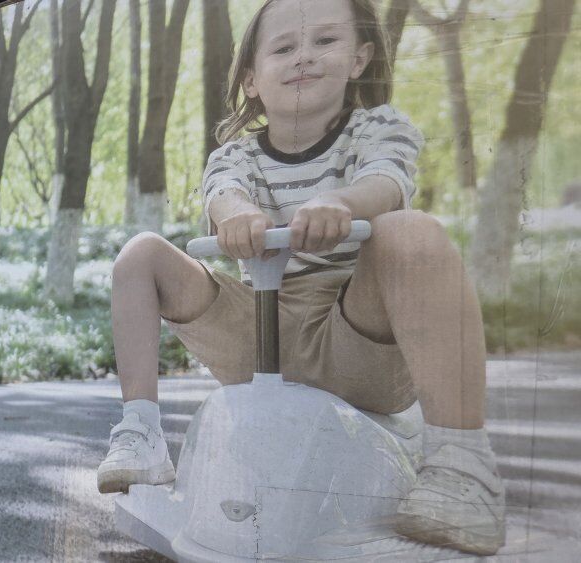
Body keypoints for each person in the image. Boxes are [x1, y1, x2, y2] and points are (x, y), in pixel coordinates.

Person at [95, 0, 505, 555]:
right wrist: (237, 214)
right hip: (263, 328)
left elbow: (387, 179)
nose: (304, 57)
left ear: (359, 58)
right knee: (140, 254)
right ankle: (141, 432)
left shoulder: (379, 127)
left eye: (325, 43)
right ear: (251, 78)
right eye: (284, 48)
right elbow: (224, 194)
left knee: (411, 231)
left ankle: (462, 468)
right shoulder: (234, 155)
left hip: (353, 330)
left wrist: (341, 201)